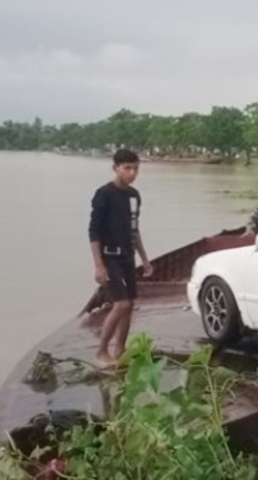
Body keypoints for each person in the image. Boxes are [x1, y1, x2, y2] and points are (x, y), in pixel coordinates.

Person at [88, 148, 153, 367]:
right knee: (121, 304)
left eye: (136, 168)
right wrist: (98, 265)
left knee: (130, 304)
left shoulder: (134, 196)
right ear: (115, 168)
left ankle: (119, 349)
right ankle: (101, 351)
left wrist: (144, 259)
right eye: (127, 168)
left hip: (127, 257)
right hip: (109, 258)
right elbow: (94, 232)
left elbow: (135, 230)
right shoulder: (104, 194)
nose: (132, 173)